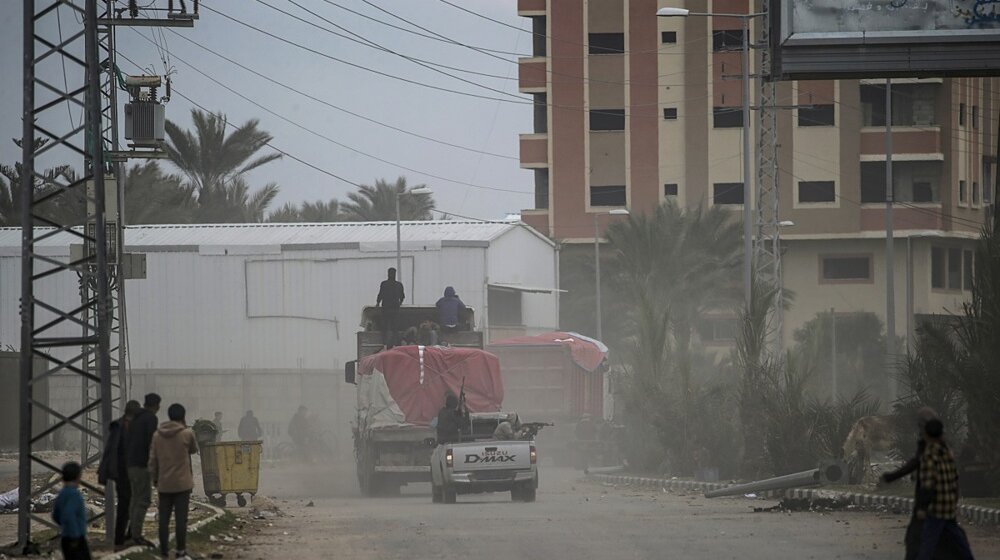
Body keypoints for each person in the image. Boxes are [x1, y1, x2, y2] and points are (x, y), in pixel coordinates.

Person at [915, 419, 975, 560]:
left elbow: (928, 484)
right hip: (948, 505)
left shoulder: (929, 456)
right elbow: (955, 479)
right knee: (958, 539)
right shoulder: (948, 454)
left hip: (936, 507)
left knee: (928, 542)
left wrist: (922, 507)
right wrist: (955, 500)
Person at [149, 403, 199, 560]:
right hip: (182, 484)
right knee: (180, 519)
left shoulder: (157, 436)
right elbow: (194, 450)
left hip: (164, 484)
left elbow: (153, 461)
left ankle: (164, 551)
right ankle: (180, 550)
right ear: (183, 416)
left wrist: (155, 480)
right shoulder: (187, 434)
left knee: (163, 519)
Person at [98, 399, 141, 550]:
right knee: (128, 505)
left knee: (130, 505)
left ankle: (128, 536)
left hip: (129, 473)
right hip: (124, 473)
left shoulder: (120, 426)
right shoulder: (119, 427)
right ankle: (122, 538)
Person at [125, 393, 160, 548]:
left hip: (131, 464)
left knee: (135, 499)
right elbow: (151, 443)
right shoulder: (150, 418)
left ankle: (130, 532)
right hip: (142, 465)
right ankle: (136, 535)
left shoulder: (135, 418)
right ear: (156, 406)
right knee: (143, 500)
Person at [52, 461, 90, 560]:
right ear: (78, 477)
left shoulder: (62, 493)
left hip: (65, 537)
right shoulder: (74, 494)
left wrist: (65, 526)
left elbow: (56, 515)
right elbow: (68, 514)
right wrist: (74, 535)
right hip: (76, 538)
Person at [376, 267, 405, 348]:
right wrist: (400, 303)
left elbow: (380, 294)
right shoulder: (399, 285)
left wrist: (378, 303)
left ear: (388, 274)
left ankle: (384, 343)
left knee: (385, 327)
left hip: (385, 308)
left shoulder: (384, 284)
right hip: (395, 309)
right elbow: (402, 296)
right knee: (394, 327)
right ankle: (395, 344)